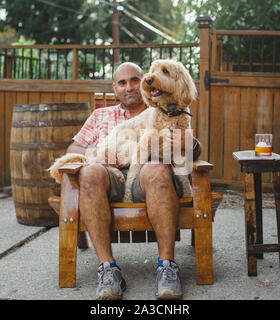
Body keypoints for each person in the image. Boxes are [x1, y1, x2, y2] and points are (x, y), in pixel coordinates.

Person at [67, 62, 201, 300]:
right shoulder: (100, 115)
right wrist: (98, 152)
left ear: (145, 82)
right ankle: (108, 270)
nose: (129, 87)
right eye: (122, 83)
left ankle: (167, 266)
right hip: (109, 177)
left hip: (147, 181)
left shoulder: (165, 110)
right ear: (115, 88)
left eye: (134, 80)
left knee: (158, 169)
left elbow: (191, 152)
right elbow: (73, 148)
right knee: (89, 173)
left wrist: (191, 145)